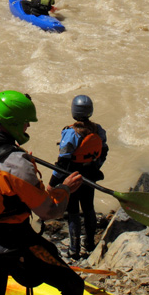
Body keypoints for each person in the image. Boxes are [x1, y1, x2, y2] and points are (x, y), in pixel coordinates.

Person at [0, 90, 85, 295]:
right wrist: (65, 190)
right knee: (73, 286)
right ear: (15, 123)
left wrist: (21, 160)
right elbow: (49, 211)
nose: (28, 126)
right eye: (26, 122)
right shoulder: (18, 165)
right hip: (15, 241)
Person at [47, 95, 109, 260]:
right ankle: (90, 244)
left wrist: (52, 183)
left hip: (72, 178)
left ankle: (74, 250)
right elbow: (103, 152)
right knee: (89, 207)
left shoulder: (70, 134)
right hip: (89, 177)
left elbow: (62, 162)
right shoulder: (99, 130)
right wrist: (95, 168)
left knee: (73, 211)